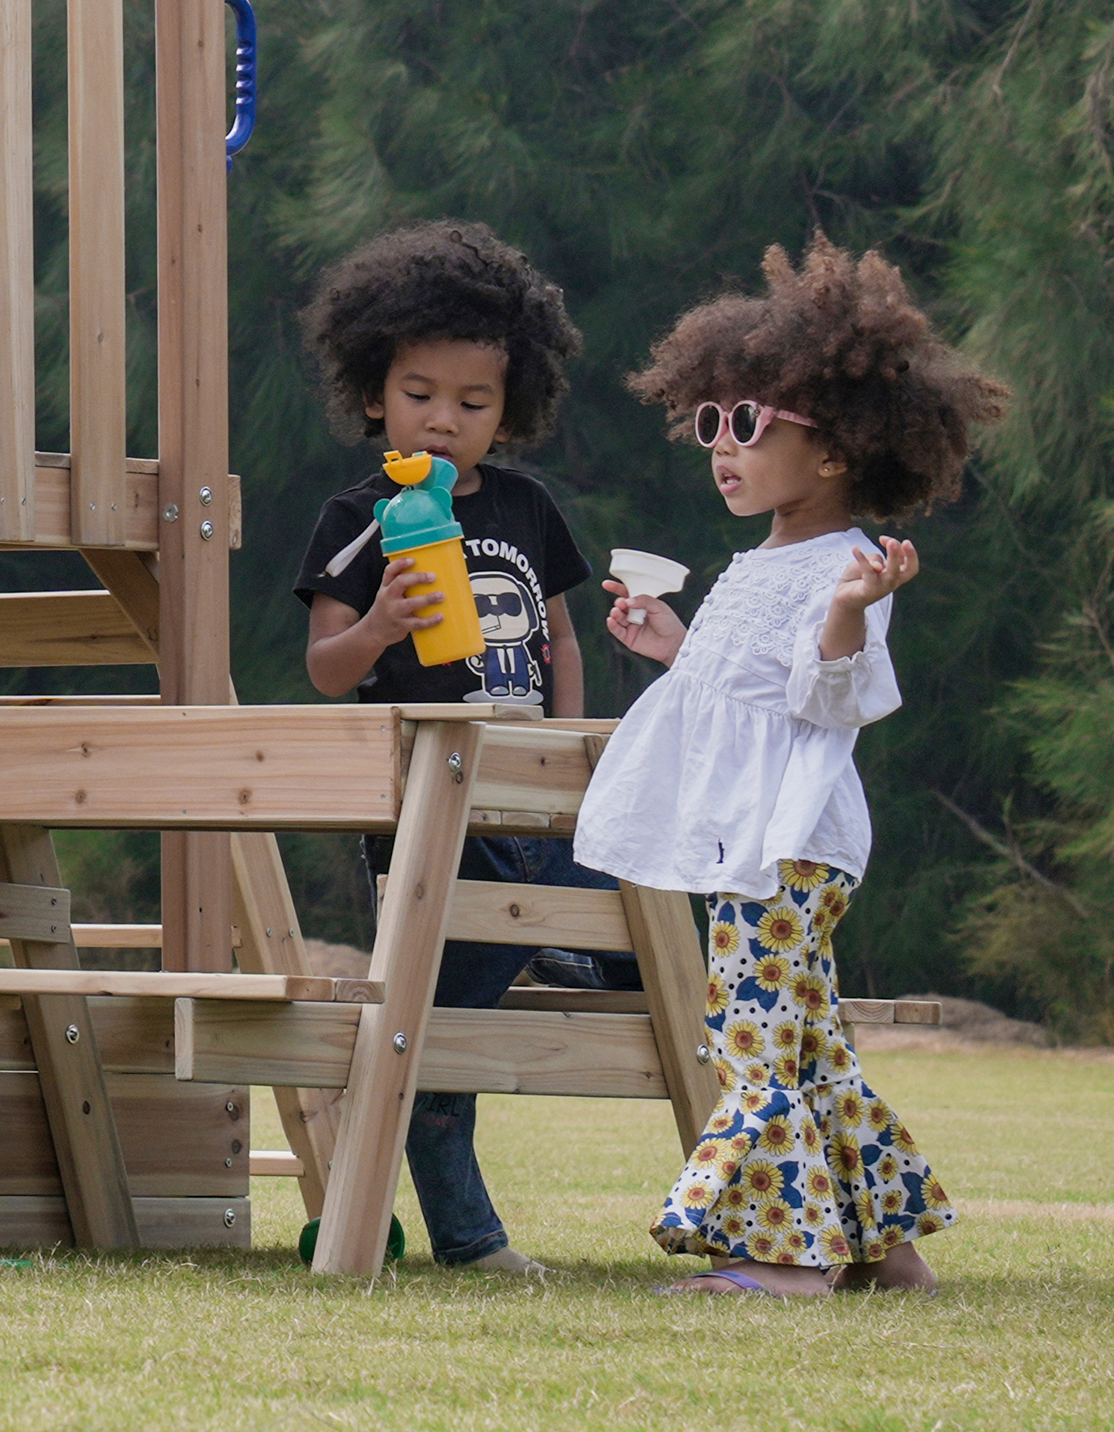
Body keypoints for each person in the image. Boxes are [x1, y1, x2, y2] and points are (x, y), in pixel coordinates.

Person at [587, 234, 1000, 1298]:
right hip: (752, 841)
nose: (719, 446)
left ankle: (779, 1261)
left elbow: (829, 703)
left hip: (783, 848)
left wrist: (849, 619)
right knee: (804, 1042)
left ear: (834, 453)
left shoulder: (843, 570)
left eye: (747, 426)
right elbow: (744, 695)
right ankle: (883, 1247)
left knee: (752, 1039)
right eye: (710, 424)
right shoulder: (760, 561)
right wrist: (672, 646)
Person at [288, 218, 621, 1277]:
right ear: (374, 394)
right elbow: (325, 668)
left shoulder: (525, 506)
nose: (443, 421)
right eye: (420, 395)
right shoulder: (360, 514)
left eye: (473, 404)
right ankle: (470, 1241)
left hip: (535, 798)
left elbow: (559, 637)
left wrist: (572, 754)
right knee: (433, 1033)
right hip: (430, 812)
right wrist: (381, 625)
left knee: (641, 947)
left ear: (508, 412)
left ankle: (562, 946)